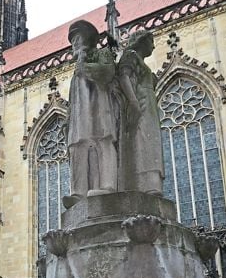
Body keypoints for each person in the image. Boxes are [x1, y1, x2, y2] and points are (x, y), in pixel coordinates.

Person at [65, 19, 120, 208]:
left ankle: (108, 186)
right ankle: (78, 192)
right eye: (73, 42)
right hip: (80, 117)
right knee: (76, 148)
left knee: (103, 143)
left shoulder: (101, 54)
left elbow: (108, 72)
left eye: (78, 39)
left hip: (99, 109)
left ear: (88, 40)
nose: (75, 44)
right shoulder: (75, 69)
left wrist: (86, 68)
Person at [117, 30, 165, 197]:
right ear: (141, 41)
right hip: (141, 104)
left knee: (150, 143)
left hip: (149, 105)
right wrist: (133, 102)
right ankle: (145, 184)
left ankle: (152, 185)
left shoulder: (140, 61)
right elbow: (124, 77)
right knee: (144, 142)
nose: (153, 45)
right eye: (150, 41)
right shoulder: (130, 55)